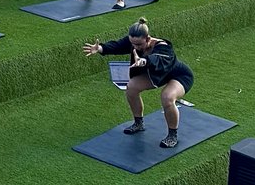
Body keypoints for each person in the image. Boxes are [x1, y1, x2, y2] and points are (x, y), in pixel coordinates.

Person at [83, 17, 194, 149]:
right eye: (133, 44)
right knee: (131, 87)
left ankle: (172, 135)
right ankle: (139, 123)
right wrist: (100, 48)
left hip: (178, 75)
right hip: (157, 76)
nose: (135, 47)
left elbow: (158, 61)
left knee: (167, 97)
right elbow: (118, 46)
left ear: (148, 38)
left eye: (139, 45)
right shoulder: (134, 41)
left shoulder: (164, 47)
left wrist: (144, 61)